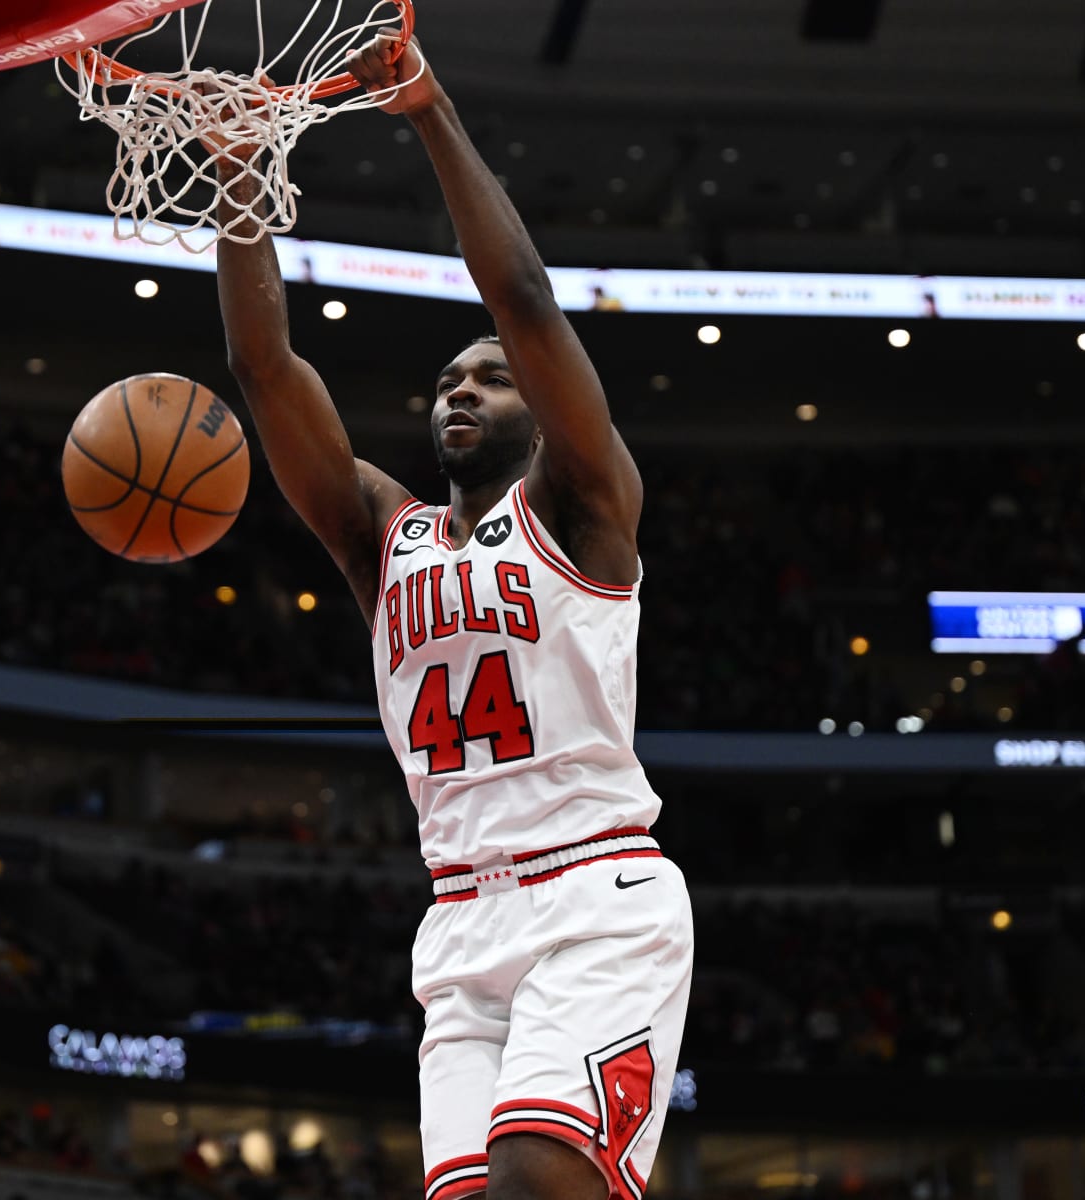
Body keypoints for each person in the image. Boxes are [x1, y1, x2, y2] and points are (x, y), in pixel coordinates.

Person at [212, 32, 694, 1200]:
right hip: (459, 919)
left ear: (543, 406)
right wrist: (236, 188)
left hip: (596, 897)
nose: (462, 390)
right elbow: (265, 367)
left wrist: (427, 110)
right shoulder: (388, 534)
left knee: (535, 1174)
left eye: (491, 377)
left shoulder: (586, 508)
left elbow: (524, 297)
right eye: (446, 382)